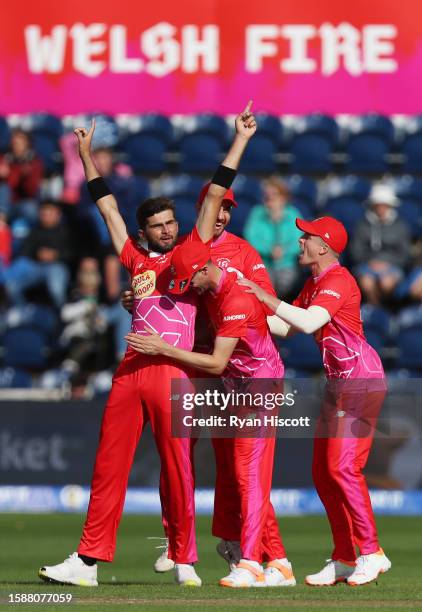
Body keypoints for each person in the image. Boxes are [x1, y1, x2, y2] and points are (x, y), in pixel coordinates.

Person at [38, 102, 257, 588]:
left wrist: (240, 139)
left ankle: (184, 559)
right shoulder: (133, 255)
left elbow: (216, 191)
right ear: (144, 232)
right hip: (131, 369)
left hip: (171, 372)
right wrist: (85, 155)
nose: (168, 231)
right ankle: (88, 561)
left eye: (171, 223)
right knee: (108, 463)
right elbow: (107, 206)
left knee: (178, 466)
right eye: (158, 226)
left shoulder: (189, 252)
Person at [122, 183, 284, 576]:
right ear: (201, 214)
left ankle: (268, 553)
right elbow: (159, 291)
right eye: (217, 209)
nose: (223, 215)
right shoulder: (181, 249)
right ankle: (178, 540)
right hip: (196, 369)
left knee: (240, 466)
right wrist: (134, 300)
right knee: (177, 456)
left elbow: (268, 311)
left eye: (229, 209)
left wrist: (260, 316)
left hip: (228, 370)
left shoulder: (242, 252)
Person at [239, 216, 391, 587]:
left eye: (306, 237)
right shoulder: (315, 282)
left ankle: (372, 553)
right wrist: (241, 315)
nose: (300, 242)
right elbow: (285, 326)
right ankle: (344, 557)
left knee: (342, 468)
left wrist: (263, 296)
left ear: (323, 246)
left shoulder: (338, 279)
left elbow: (308, 322)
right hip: (339, 386)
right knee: (323, 473)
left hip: (360, 382)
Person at [350, 183, 411, 305]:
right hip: (366, 265)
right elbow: (355, 251)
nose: (381, 209)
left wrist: (386, 263)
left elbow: (404, 254)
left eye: (385, 205)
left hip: (392, 266)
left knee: (387, 283)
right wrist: (371, 262)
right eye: (378, 205)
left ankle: (383, 311)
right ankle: (375, 309)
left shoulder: (401, 226)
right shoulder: (362, 225)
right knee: (367, 283)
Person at [3, 200, 71, 308]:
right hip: (35, 266)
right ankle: (20, 312)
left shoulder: (66, 232)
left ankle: (61, 312)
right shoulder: (35, 231)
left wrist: (55, 255)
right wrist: (37, 254)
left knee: (56, 287)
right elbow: (25, 252)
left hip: (56, 266)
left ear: (58, 214)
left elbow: (72, 254)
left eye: (50, 213)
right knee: (12, 283)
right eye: (44, 213)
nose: (46, 216)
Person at [244, 177, 302, 296]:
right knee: (264, 285)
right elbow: (250, 237)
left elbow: (299, 239)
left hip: (287, 263)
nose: (270, 197)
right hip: (263, 262)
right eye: (266, 195)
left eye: (274, 194)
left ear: (283, 197)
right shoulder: (257, 212)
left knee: (286, 285)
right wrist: (269, 251)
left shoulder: (293, 214)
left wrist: (284, 251)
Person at [0, 128, 44, 223]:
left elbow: (32, 191)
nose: (16, 145)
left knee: (30, 209)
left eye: (19, 143)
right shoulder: (4, 158)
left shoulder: (34, 161)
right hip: (5, 203)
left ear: (27, 144)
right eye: (14, 142)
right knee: (4, 188)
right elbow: (9, 185)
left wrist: (26, 177)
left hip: (23, 201)